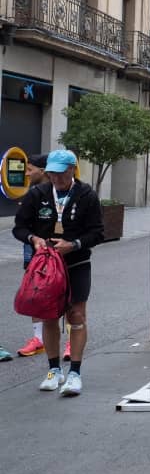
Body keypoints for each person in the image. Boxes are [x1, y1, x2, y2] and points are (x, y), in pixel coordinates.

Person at [12, 150, 104, 396]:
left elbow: (98, 232)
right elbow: (19, 227)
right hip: (45, 266)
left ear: (72, 169)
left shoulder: (86, 195)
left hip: (76, 263)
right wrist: (33, 239)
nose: (56, 178)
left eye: (61, 173)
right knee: (49, 316)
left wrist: (73, 245)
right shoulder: (37, 194)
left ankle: (75, 373)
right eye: (52, 173)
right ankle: (54, 370)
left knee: (77, 315)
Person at [16, 153, 52, 358]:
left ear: (43, 171)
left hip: (57, 249)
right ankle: (38, 339)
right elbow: (21, 226)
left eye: (30, 170)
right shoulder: (32, 193)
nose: (27, 174)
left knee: (67, 292)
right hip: (33, 249)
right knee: (34, 292)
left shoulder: (60, 191)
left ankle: (71, 340)